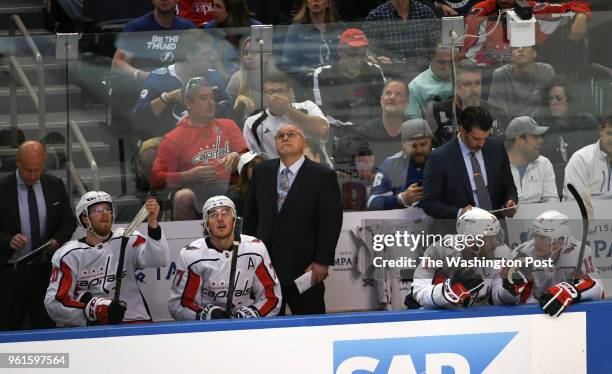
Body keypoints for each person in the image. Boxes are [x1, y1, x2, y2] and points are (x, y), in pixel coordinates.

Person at [244, 124, 343, 315]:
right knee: (267, 330)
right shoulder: (261, 172)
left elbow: (330, 222)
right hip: (265, 268)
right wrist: (247, 257)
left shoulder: (322, 175)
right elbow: (251, 217)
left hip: (305, 268)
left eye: (291, 134)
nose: (285, 138)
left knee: (311, 327)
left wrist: (322, 260)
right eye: (280, 135)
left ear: (303, 141)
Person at [45, 191, 170, 326]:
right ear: (84, 218)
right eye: (97, 210)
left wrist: (153, 224)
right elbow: (54, 303)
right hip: (91, 328)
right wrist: (95, 310)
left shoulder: (127, 238)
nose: (105, 214)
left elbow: (159, 259)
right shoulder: (69, 255)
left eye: (107, 209)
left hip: (134, 320)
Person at [0, 141, 77, 330]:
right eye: (28, 170)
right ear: (17, 162)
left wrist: (57, 240)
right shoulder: (2, 188)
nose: (33, 175)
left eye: (37, 170)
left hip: (45, 272)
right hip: (11, 273)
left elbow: (69, 222)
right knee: (9, 329)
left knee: (45, 330)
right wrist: (8, 240)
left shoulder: (55, 185)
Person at [150, 76, 248, 220]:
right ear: (188, 103)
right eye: (203, 98)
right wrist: (188, 175)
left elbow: (247, 157)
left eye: (212, 97)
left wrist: (237, 156)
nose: (210, 103)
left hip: (230, 188)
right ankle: (187, 242)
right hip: (196, 191)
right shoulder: (174, 137)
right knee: (183, 197)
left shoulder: (228, 125)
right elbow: (156, 179)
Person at [169, 196, 281, 320]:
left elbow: (272, 298)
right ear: (206, 223)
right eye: (213, 214)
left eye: (225, 213)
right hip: (207, 330)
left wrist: (247, 316)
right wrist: (208, 315)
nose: (220, 219)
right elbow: (179, 304)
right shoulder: (191, 255)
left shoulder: (256, 249)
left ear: (234, 220)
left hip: (247, 327)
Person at [496, 210, 603, 317]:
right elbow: (501, 301)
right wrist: (510, 290)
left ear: (560, 240)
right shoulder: (522, 253)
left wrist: (569, 292)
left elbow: (598, 289)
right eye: (535, 236)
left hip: (570, 312)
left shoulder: (580, 252)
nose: (536, 242)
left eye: (542, 238)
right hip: (534, 313)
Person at [421, 106, 518, 221]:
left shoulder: (496, 147)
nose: (481, 144)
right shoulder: (440, 158)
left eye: (485, 138)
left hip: (495, 228)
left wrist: (510, 201)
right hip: (460, 232)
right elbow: (430, 203)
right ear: (462, 130)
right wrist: (459, 212)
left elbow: (509, 186)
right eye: (476, 139)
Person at [132, 29, 228, 141]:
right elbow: (139, 117)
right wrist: (166, 98)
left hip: (204, 143)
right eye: (205, 54)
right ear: (190, 56)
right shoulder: (159, 78)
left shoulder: (213, 76)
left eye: (211, 53)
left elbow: (226, 109)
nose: (211, 58)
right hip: (165, 144)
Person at [411, 208, 511, 308]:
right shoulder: (438, 250)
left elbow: (499, 300)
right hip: (439, 316)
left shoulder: (501, 252)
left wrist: (510, 290)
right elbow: (419, 291)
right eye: (489, 238)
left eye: (496, 236)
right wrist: (449, 292)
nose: (495, 243)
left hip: (476, 317)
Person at [460, 0, 591, 67]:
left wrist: (582, 16)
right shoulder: (480, 11)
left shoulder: (531, 8)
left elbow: (574, 6)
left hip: (525, 73)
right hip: (488, 75)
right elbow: (468, 55)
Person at [243, 72, 329, 161]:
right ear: (264, 96)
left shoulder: (307, 107)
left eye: (280, 91)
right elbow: (252, 157)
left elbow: (322, 129)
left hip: (316, 170)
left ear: (290, 93)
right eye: (271, 92)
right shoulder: (252, 123)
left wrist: (287, 110)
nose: (276, 95)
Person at [536, 77, 600, 195]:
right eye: (550, 99)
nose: (553, 102)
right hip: (551, 187)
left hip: (586, 184)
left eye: (558, 98)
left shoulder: (587, 122)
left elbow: (598, 156)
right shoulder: (540, 124)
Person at [312, 28, 386, 126]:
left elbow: (383, 108)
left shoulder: (374, 71)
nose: (358, 61)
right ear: (340, 52)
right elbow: (321, 114)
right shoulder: (323, 74)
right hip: (337, 131)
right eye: (353, 55)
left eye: (362, 55)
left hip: (371, 130)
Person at [112, 0, 196, 84]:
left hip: (179, 87)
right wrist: (143, 75)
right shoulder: (137, 27)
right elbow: (117, 63)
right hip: (143, 87)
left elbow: (200, 59)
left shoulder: (187, 27)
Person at [431, 59, 509, 146]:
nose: (474, 89)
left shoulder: (496, 115)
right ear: (455, 86)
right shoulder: (437, 112)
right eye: (467, 84)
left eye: (477, 83)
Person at [363, 0, 439, 82]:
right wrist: (375, 59)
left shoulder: (426, 12)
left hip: (424, 77)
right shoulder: (376, 16)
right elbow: (367, 50)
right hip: (391, 78)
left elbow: (437, 45)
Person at [368, 119, 433, 210]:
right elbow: (372, 202)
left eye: (423, 144)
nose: (419, 150)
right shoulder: (390, 165)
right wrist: (402, 198)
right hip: (403, 222)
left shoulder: (444, 160)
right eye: (413, 146)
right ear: (402, 144)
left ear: (431, 141)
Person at [282, 0, 345, 85]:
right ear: (306, 3)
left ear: (328, 3)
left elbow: (347, 59)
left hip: (338, 82)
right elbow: (288, 65)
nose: (315, 0)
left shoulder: (340, 28)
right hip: (307, 83)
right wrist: (312, 74)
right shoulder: (296, 30)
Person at [350, 80, 408, 164]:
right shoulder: (365, 132)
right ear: (381, 100)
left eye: (398, 94)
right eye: (388, 93)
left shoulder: (414, 131)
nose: (392, 97)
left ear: (406, 102)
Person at [488, 45, 556, 118]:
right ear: (511, 56)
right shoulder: (501, 75)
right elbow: (498, 113)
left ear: (534, 53)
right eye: (515, 48)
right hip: (512, 127)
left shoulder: (546, 71)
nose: (520, 50)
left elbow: (555, 105)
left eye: (525, 46)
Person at [505, 116, 559, 203]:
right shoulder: (497, 166)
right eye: (536, 136)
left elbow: (551, 201)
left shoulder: (544, 163)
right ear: (520, 140)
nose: (541, 140)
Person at [563, 113, 612, 201]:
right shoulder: (580, 159)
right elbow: (574, 202)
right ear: (600, 130)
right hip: (582, 213)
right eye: (609, 133)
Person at [405, 43, 453, 120]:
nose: (447, 67)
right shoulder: (415, 87)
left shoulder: (465, 80)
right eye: (442, 62)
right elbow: (414, 124)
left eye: (451, 62)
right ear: (432, 58)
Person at [227, 151, 266, 216]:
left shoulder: (274, 191)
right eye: (252, 165)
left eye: (262, 164)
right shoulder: (235, 198)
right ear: (244, 172)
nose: (259, 167)